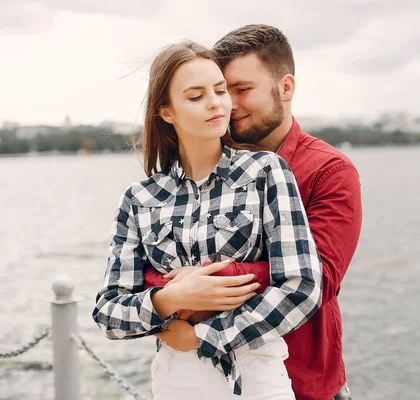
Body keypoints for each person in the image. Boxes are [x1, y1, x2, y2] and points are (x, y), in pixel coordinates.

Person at [92, 40, 322, 399]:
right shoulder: (139, 199)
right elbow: (108, 313)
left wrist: (205, 337)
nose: (216, 102)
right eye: (196, 96)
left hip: (256, 375)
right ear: (167, 112)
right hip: (175, 379)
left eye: (220, 90)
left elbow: (302, 286)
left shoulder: (266, 172)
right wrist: (169, 299)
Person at [145, 25, 362, 400]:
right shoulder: (195, 171)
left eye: (242, 90)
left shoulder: (329, 172)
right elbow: (149, 266)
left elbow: (319, 279)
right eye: (220, 90)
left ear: (286, 88)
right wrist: (168, 293)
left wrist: (205, 280)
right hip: (204, 380)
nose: (229, 104)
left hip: (303, 378)